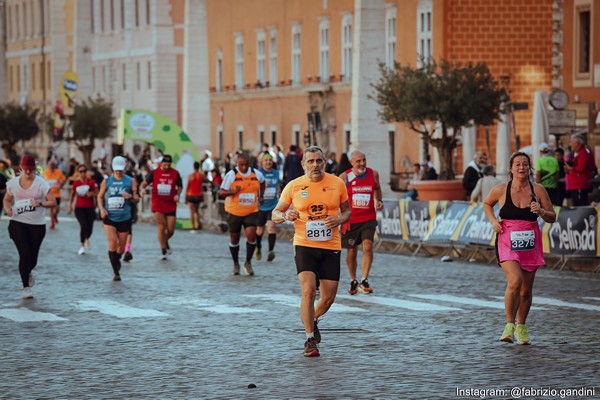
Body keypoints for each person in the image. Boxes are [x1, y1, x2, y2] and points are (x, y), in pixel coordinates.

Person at [272, 146, 351, 357]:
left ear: (324, 162)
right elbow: (275, 213)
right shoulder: (294, 186)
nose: (315, 165)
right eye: (311, 161)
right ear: (303, 164)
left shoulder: (337, 183)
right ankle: (309, 339)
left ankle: (312, 319)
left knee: (328, 298)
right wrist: (284, 215)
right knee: (308, 290)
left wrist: (340, 219)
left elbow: (348, 210)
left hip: (330, 245)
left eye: (319, 161)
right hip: (304, 244)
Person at [483, 152, 556, 345]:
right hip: (506, 240)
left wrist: (540, 211)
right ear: (510, 169)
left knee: (525, 291)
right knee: (514, 281)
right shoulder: (500, 189)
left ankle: (521, 327)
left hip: (530, 243)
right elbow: (486, 204)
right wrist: (492, 221)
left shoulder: (538, 190)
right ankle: (509, 325)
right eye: (517, 164)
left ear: (530, 168)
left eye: (525, 164)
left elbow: (552, 216)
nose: (521, 168)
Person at [3, 155, 57, 299]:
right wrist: (8, 209)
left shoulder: (41, 184)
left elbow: (53, 202)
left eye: (31, 169)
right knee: (25, 253)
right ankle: (25, 287)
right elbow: (7, 199)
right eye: (26, 169)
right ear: (21, 168)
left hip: (37, 225)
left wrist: (39, 204)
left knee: (32, 259)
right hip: (17, 223)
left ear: (34, 168)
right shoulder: (13, 183)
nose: (28, 172)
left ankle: (28, 271)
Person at [338, 150, 384, 295]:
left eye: (364, 160)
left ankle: (364, 280)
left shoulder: (373, 174)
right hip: (351, 219)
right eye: (358, 161)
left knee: (368, 246)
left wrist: (379, 201)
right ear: (352, 162)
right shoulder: (345, 177)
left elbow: (377, 188)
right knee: (351, 251)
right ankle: (353, 280)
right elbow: (336, 195)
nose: (362, 163)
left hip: (368, 217)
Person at [219, 152, 266, 275]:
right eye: (241, 165)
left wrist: (261, 196)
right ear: (237, 164)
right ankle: (235, 263)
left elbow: (262, 182)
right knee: (235, 238)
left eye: (246, 165)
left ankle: (248, 262)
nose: (244, 167)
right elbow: (221, 192)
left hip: (251, 211)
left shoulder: (256, 174)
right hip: (234, 211)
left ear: (249, 164)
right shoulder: (231, 175)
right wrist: (233, 192)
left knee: (251, 236)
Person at [97, 156, 140, 281]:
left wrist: (130, 197)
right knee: (112, 243)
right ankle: (116, 271)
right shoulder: (107, 181)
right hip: (109, 217)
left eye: (121, 170)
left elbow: (137, 198)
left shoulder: (131, 181)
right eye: (116, 170)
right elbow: (100, 196)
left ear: (125, 168)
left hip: (124, 217)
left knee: (121, 248)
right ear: (113, 169)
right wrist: (101, 209)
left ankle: (117, 260)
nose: (119, 172)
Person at [139, 154, 183, 259]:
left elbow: (180, 186)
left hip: (170, 203)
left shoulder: (175, 173)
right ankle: (163, 248)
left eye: (168, 165)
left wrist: (178, 194)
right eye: (165, 165)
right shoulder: (154, 173)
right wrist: (142, 189)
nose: (167, 167)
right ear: (160, 163)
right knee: (161, 226)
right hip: (158, 203)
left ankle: (164, 240)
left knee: (171, 230)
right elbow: (143, 184)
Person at [67, 164, 98, 255]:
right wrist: (70, 206)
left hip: (90, 208)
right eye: (81, 171)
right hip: (79, 208)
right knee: (83, 226)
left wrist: (92, 194)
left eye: (84, 171)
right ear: (78, 173)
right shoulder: (76, 183)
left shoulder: (91, 182)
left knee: (90, 229)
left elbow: (98, 193)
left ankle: (87, 238)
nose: (83, 173)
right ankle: (82, 246)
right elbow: (72, 195)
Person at [256, 153, 281, 262]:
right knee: (260, 230)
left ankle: (271, 251)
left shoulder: (276, 173)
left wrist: (280, 194)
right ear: (262, 163)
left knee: (271, 227)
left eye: (270, 160)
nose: (268, 162)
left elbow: (278, 185)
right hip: (261, 206)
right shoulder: (258, 173)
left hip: (273, 205)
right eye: (266, 161)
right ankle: (258, 247)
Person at [564, 133, 596, 206]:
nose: (570, 144)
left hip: (581, 184)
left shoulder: (584, 152)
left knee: (580, 204)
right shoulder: (577, 153)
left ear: (577, 143)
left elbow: (582, 168)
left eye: (572, 142)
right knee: (577, 203)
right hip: (576, 184)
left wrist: (570, 168)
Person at [42, 160, 67, 229]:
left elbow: (64, 179)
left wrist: (61, 185)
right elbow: (42, 182)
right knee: (51, 209)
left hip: (57, 194)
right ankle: (52, 223)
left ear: (54, 165)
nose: (51, 166)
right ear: (48, 165)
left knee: (57, 209)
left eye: (52, 164)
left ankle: (55, 215)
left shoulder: (58, 172)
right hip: (49, 194)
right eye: (50, 165)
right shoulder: (45, 172)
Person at [185, 161, 205, 232]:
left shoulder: (190, 176)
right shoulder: (201, 175)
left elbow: (187, 187)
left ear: (193, 167)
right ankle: (198, 225)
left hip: (191, 195)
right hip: (198, 195)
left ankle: (193, 227)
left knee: (192, 212)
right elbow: (206, 181)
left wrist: (185, 197)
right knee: (197, 211)